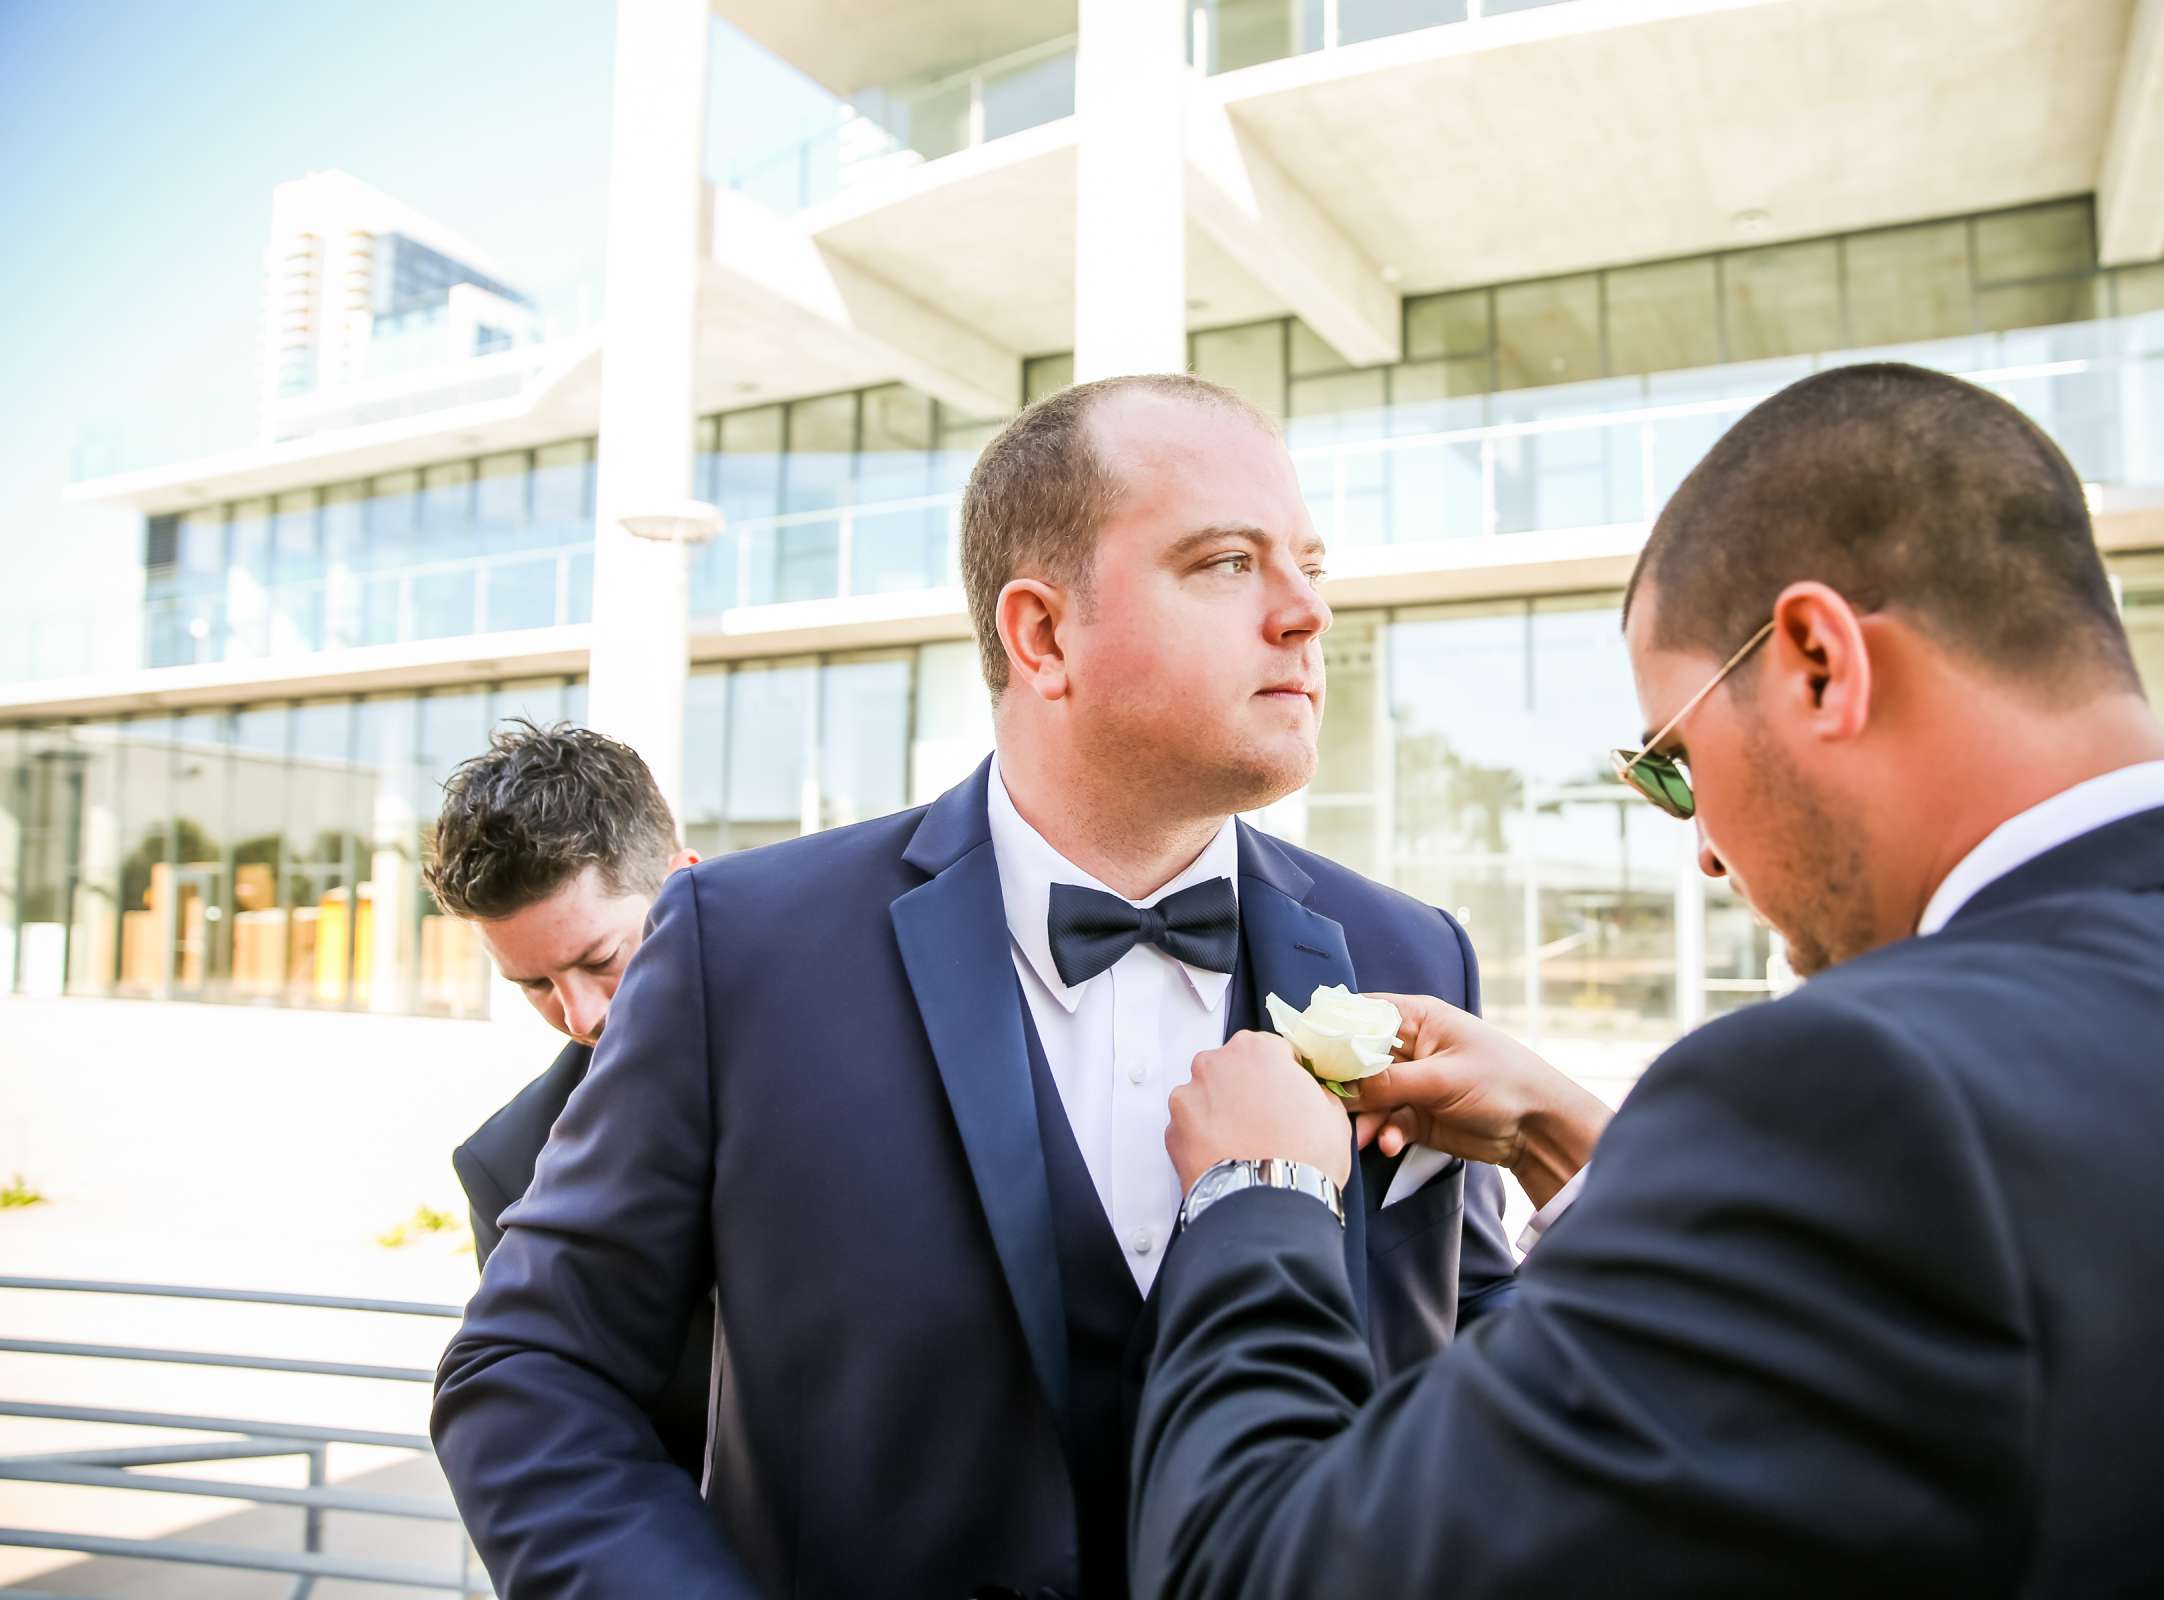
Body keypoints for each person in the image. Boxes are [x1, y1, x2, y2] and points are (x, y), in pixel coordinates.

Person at [1131, 362, 2164, 1596]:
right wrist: (1569, 1137)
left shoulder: (1851, 1091)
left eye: (1674, 761)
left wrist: (1262, 1189)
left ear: (1817, 663)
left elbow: (1262, 1566)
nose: (1705, 853)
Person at [432, 373, 1518, 1599]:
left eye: (1309, 564)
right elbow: (529, 1366)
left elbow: (1480, 1365)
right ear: (1041, 633)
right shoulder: (744, 948)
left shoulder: (1411, 954)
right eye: (1226, 562)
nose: (1307, 612)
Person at [421, 719, 713, 1482]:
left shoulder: (862, 1029)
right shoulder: (509, 1165)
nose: (582, 1017)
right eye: (536, 985)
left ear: (687, 884)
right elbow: (572, 1435)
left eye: (601, 959)